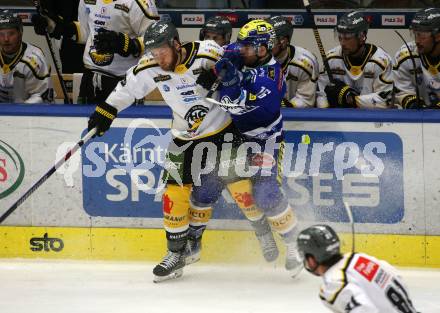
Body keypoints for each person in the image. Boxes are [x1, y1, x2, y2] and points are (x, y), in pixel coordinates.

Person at [87, 20, 239, 282]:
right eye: (153, 53)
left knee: (233, 190)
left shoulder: (206, 51)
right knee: (172, 195)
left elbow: (236, 54)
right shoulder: (150, 67)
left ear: (176, 44)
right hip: (184, 137)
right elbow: (127, 88)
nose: (158, 58)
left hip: (222, 130)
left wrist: (217, 72)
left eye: (162, 52)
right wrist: (106, 111)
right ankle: (176, 253)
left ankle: (282, 241)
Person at [198, 19, 303, 277]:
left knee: (266, 193)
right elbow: (221, 54)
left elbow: (236, 103)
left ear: (263, 49)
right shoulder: (243, 53)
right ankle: (261, 233)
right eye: (242, 45)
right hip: (235, 137)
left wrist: (231, 82)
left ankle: (294, 243)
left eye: (247, 46)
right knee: (213, 187)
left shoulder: (271, 78)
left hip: (265, 140)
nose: (240, 49)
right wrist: (213, 72)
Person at [35, 0, 159, 104]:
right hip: (89, 79)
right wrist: (60, 28)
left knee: (121, 130)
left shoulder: (138, 2)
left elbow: (156, 39)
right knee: (82, 129)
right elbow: (87, 32)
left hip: (124, 82)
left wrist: (129, 45)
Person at [297, 224, 419, 313]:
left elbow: (364, 310)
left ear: (312, 260)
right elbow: (397, 278)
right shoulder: (360, 258)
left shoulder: (333, 284)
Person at [317, 11, 394, 109]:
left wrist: (350, 98)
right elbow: (321, 95)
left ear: (361, 37)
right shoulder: (331, 59)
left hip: (371, 120)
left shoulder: (381, 61)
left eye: (347, 38)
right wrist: (326, 105)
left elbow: (386, 101)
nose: (342, 43)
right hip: (338, 120)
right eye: (340, 37)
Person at [267, 15, 319, 108]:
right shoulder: (259, 59)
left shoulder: (305, 62)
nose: (266, 45)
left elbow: (306, 100)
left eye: (271, 41)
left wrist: (286, 105)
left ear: (284, 41)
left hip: (298, 118)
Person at [0, 12, 52, 104]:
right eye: (1, 34)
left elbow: (42, 96)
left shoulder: (34, 58)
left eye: (11, 34)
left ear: (20, 33)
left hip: (31, 112)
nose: (6, 39)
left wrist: (19, 111)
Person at [394, 8, 440, 109]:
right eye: (415, 34)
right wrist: (412, 102)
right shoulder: (406, 56)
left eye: (422, 36)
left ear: (437, 36)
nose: (417, 41)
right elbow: (402, 91)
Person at [31, 0, 85, 74]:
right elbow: (47, 13)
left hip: (90, 36)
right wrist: (46, 21)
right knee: (73, 78)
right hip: (68, 42)